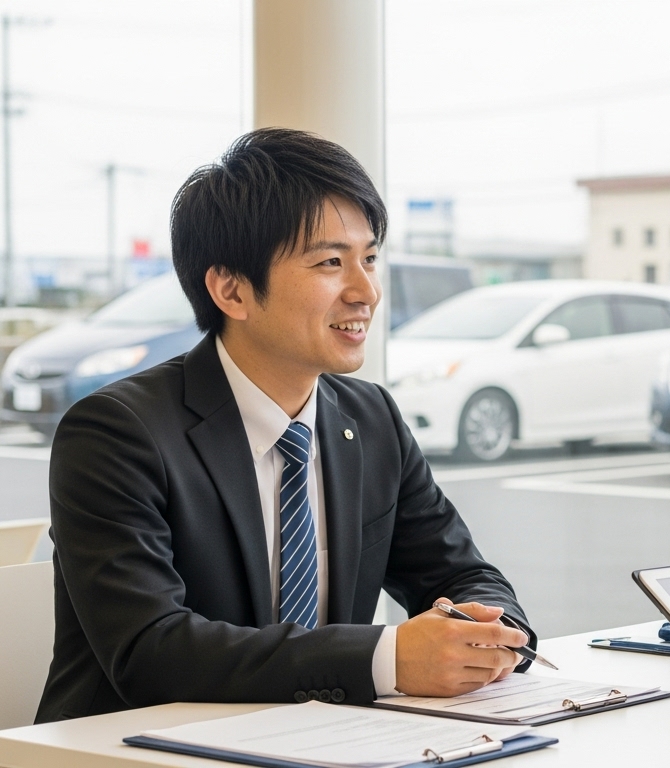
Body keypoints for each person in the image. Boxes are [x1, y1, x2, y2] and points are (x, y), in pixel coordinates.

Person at [37, 128, 534, 723]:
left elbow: (460, 571)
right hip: (133, 749)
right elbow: (151, 649)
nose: (367, 292)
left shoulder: (370, 417)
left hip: (323, 742)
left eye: (369, 258)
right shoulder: (116, 432)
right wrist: (388, 657)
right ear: (231, 289)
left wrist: (491, 630)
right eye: (330, 262)